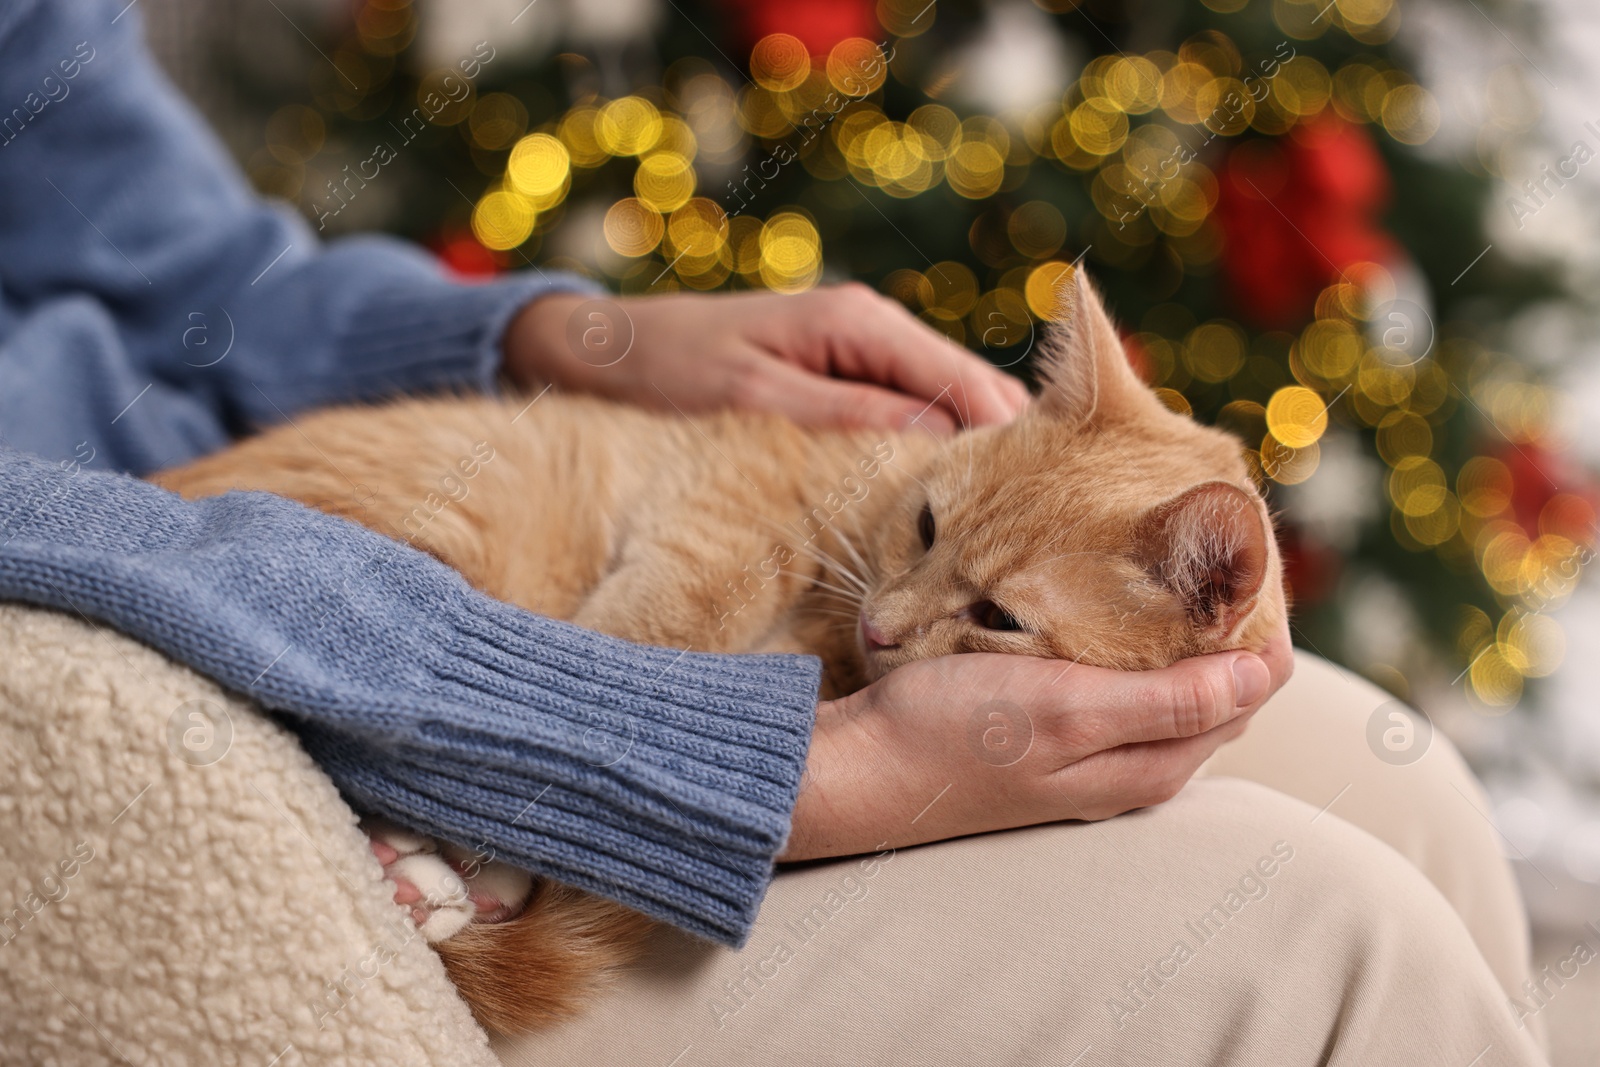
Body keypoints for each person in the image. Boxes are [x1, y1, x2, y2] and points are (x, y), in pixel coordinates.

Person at [0, 1, 1547, 1063]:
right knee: (1343, 944)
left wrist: (558, 337)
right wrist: (739, 760)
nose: (899, 606)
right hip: (113, 658)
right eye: (933, 540)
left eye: (980, 593)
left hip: (279, 507)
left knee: (1406, 799)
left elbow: (183, 257)